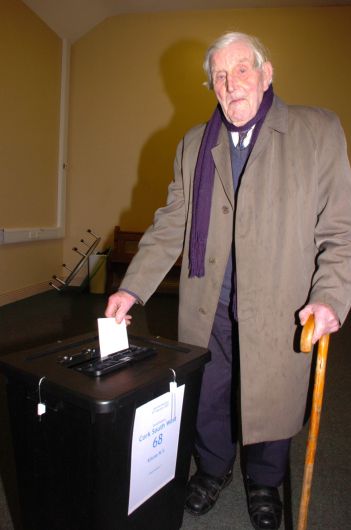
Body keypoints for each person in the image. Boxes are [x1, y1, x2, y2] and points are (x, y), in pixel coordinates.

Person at [105, 32, 351, 529]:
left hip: (281, 303)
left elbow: (340, 229)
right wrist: (132, 287)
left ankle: (263, 479)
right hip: (208, 299)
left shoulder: (317, 131)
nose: (231, 83)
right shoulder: (196, 144)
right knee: (209, 392)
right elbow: (174, 222)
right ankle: (212, 467)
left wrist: (329, 296)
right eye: (219, 74)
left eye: (242, 69)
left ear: (267, 73)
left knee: (272, 392)